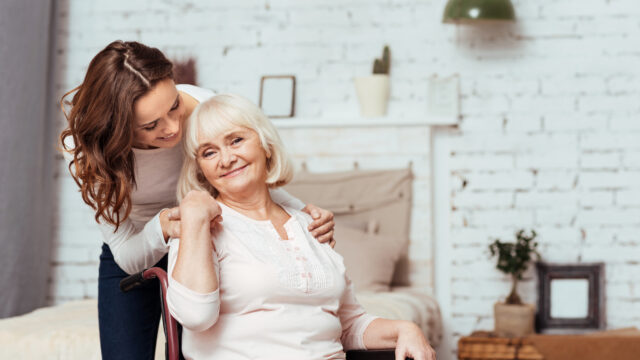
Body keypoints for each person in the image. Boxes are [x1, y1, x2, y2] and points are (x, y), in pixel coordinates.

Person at [59, 41, 336, 360]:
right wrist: (161, 229)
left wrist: (302, 214)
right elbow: (126, 253)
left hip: (205, 241)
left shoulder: (206, 106)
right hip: (137, 245)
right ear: (117, 127)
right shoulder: (93, 152)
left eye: (174, 105)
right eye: (151, 126)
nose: (174, 127)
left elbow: (244, 175)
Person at [167, 94, 436, 360]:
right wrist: (195, 219)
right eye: (209, 152)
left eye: (236, 140)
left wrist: (406, 329)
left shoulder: (310, 225)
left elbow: (349, 323)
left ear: (266, 144)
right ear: (200, 169)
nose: (225, 159)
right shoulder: (197, 228)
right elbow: (195, 315)